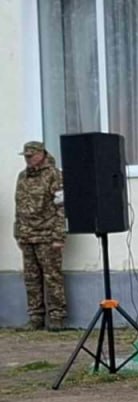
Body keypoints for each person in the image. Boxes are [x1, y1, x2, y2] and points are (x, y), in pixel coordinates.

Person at [14, 141, 66, 331]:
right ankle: (35, 317)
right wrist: (18, 232)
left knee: (52, 277)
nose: (28, 160)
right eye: (26, 156)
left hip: (47, 235)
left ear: (41, 154)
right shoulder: (23, 176)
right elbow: (19, 206)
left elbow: (61, 207)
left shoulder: (54, 175)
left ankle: (57, 317)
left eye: (31, 156)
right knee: (31, 278)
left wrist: (59, 236)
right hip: (27, 235)